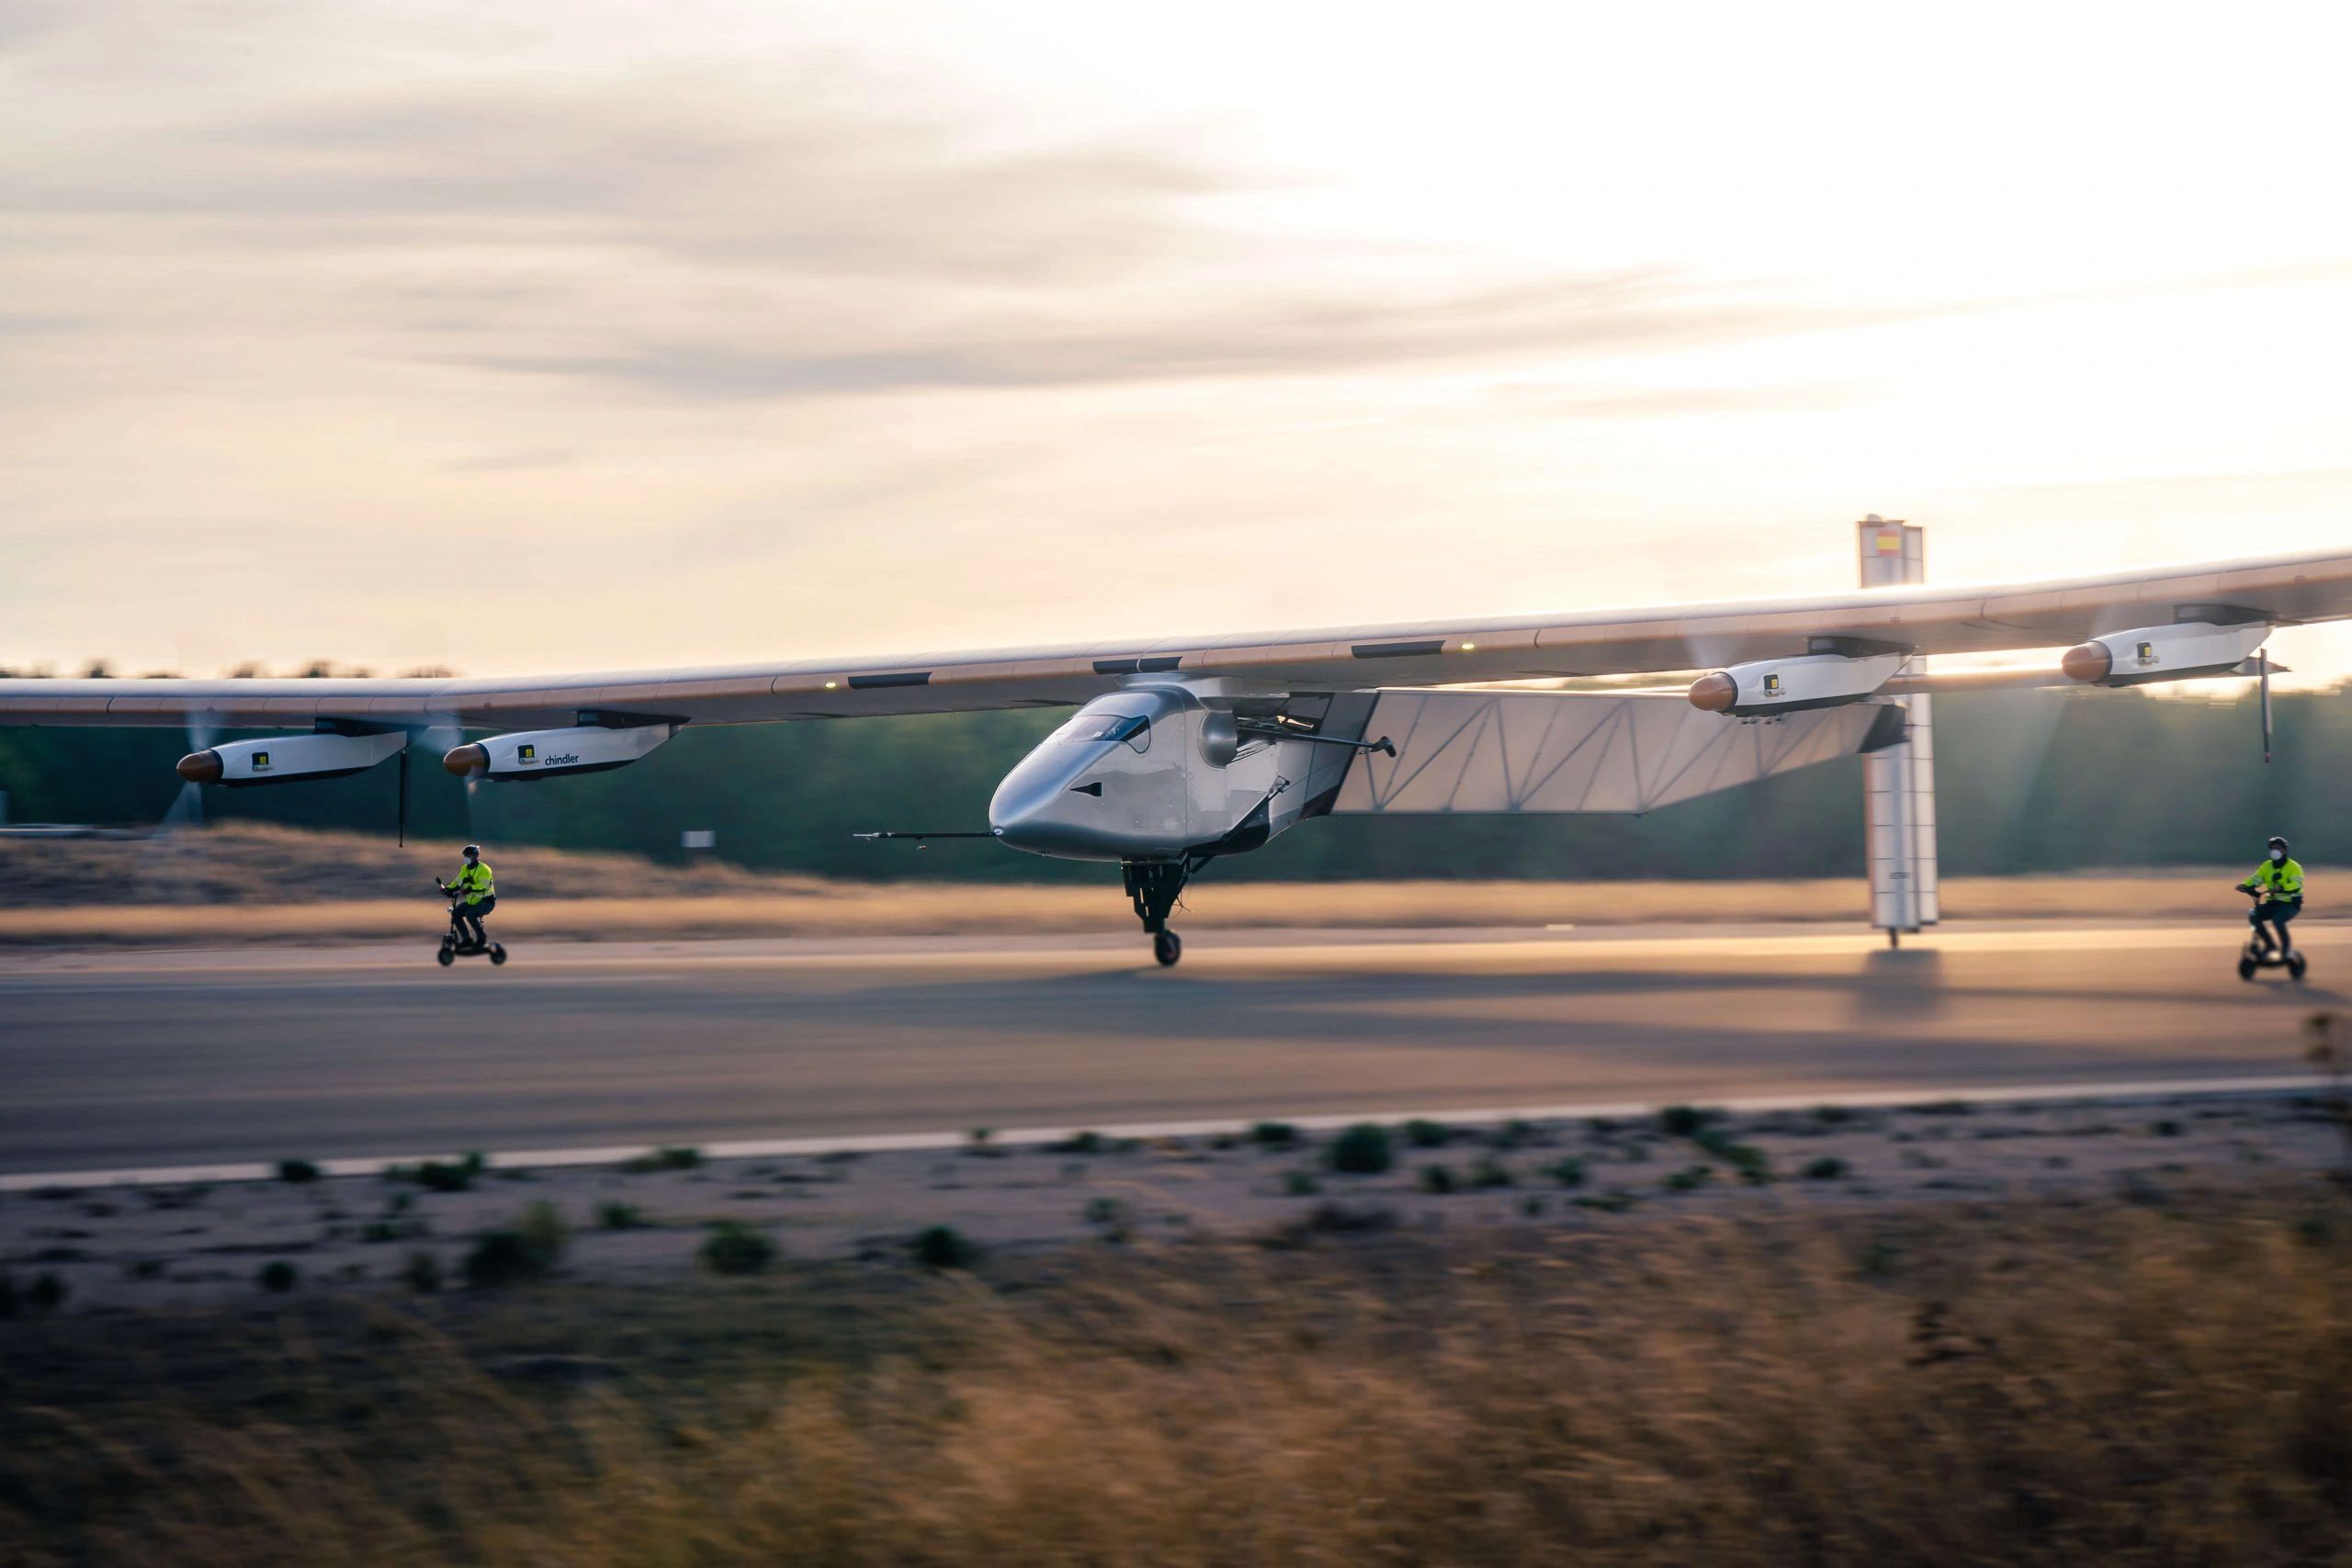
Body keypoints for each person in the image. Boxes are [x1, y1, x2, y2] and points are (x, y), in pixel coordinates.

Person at [2237, 835, 2304, 959]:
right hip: (2273, 903)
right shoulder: (2267, 866)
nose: (2275, 851)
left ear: (2285, 850)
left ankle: (2285, 950)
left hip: (2290, 904)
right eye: (2273, 848)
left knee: (2278, 921)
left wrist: (2282, 888)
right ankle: (2270, 945)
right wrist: (2245, 885)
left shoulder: (2294, 867)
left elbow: (2296, 884)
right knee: (2254, 916)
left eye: (2278, 848)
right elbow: (2255, 879)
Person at [438, 843, 496, 947]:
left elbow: (482, 886)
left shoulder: (484, 869)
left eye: (468, 856)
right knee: (455, 913)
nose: (466, 858)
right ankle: (467, 940)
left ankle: (481, 939)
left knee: (470, 914)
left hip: (486, 902)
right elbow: (458, 882)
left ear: (475, 856)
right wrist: (448, 889)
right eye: (465, 856)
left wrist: (469, 889)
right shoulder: (464, 868)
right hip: (472, 902)